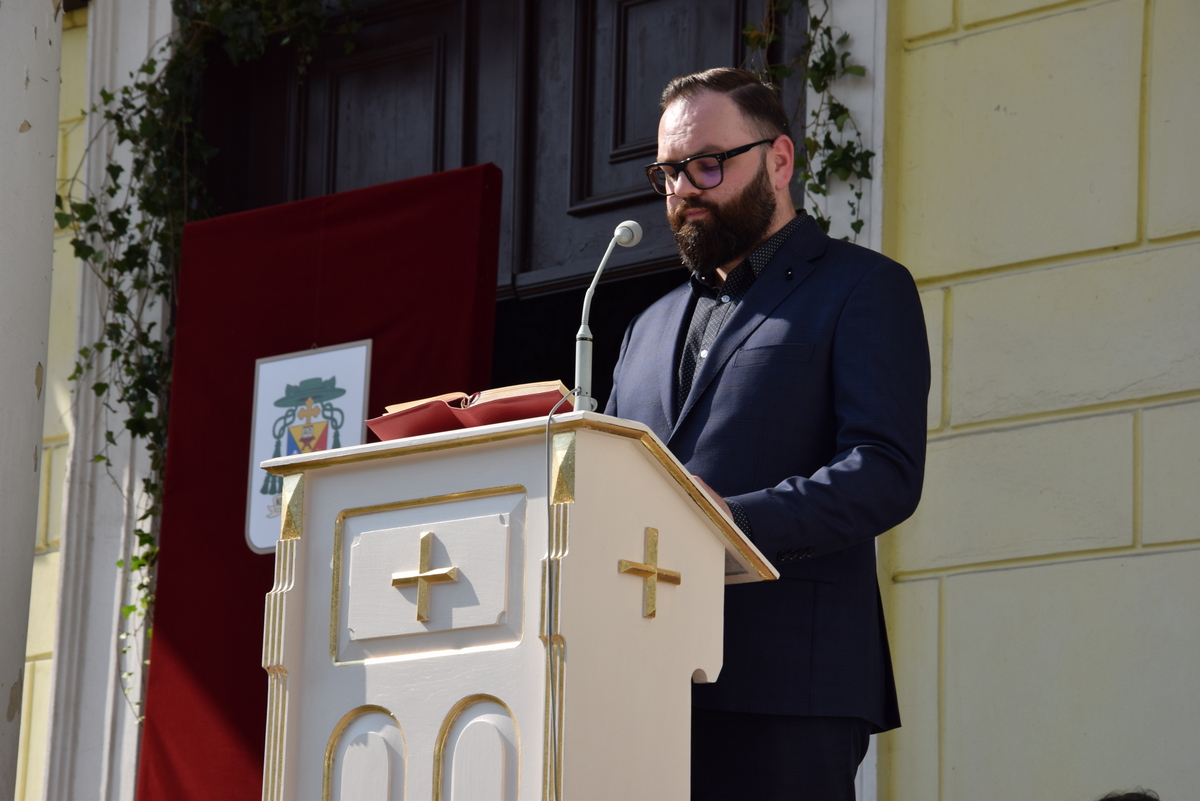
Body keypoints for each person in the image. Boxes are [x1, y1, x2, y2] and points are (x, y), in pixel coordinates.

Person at [604, 67, 930, 799]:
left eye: (707, 164)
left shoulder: (862, 287)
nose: (683, 189)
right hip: (641, 684)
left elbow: (883, 469)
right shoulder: (644, 328)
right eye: (668, 172)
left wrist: (734, 524)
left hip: (789, 686)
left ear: (779, 161)